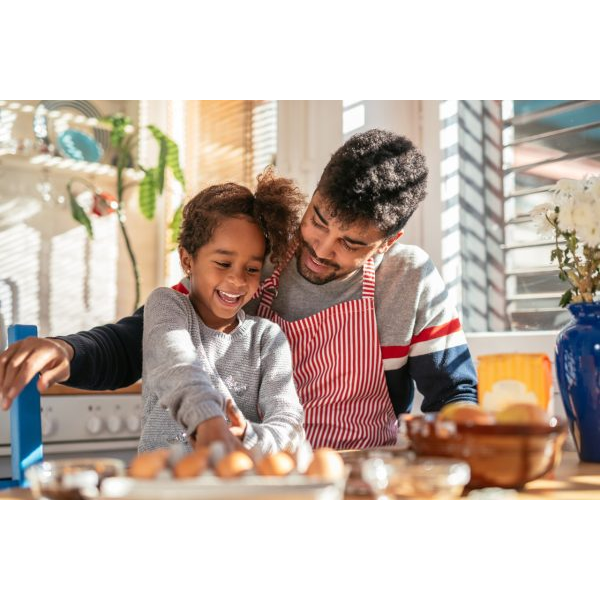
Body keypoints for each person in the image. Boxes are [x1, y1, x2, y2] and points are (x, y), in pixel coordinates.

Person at [0, 129, 477, 450]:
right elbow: (152, 337)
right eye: (318, 220)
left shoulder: (408, 279)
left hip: (360, 482)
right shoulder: (258, 259)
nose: (320, 248)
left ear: (387, 242)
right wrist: (68, 350)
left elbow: (454, 391)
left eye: (350, 243)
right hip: (258, 481)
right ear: (313, 197)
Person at [141, 169, 305, 454]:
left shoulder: (266, 338)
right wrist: (209, 421)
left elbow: (289, 422)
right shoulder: (166, 306)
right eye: (223, 263)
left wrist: (248, 436)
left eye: (252, 269)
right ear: (187, 260)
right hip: (165, 490)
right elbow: (177, 365)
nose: (238, 280)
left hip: (239, 492)